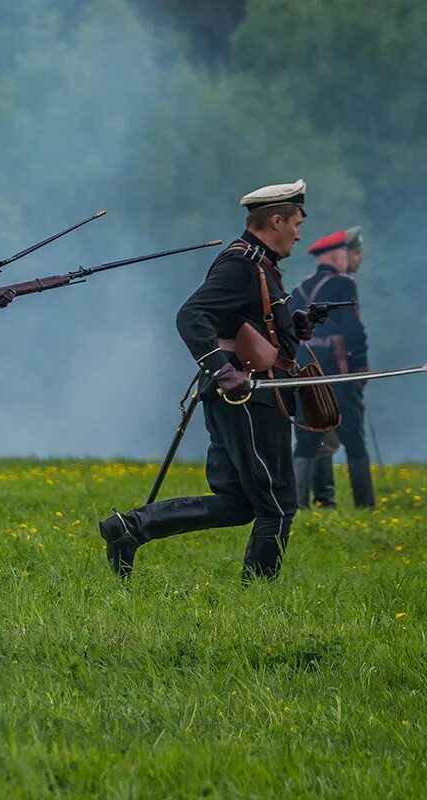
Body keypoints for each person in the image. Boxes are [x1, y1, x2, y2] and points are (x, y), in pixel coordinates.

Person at [99, 180, 316, 582]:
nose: (300, 234)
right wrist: (223, 370)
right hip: (248, 399)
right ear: (275, 220)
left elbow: (244, 320)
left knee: (237, 503)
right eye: (297, 224)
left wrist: (292, 328)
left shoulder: (260, 264)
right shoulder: (242, 263)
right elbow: (191, 316)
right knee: (278, 504)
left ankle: (131, 527)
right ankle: (257, 605)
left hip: (247, 397)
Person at [291, 226, 373, 508]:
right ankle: (365, 505)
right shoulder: (345, 284)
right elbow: (353, 330)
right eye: (355, 253)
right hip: (338, 372)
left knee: (307, 437)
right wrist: (360, 365)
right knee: (353, 437)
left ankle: (299, 503)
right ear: (339, 255)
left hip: (304, 371)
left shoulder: (297, 290)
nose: (359, 258)